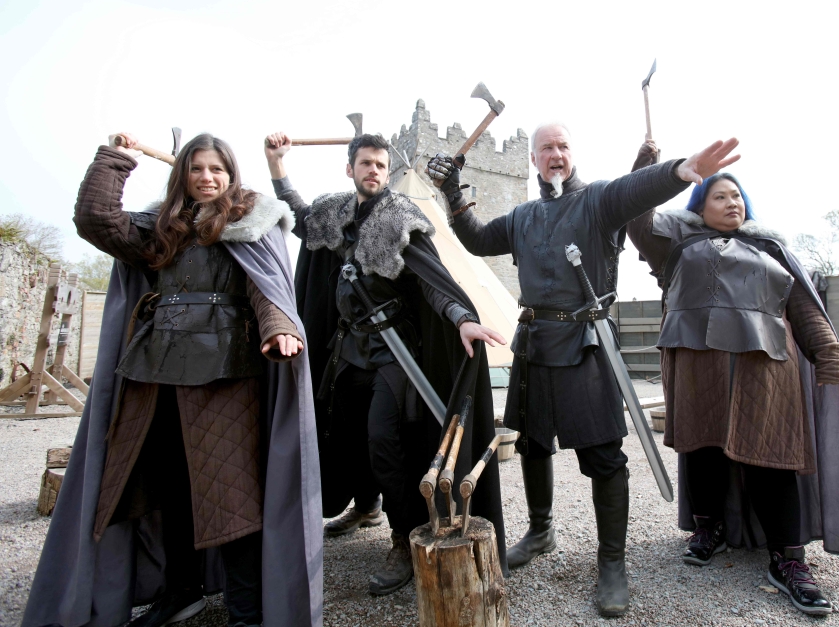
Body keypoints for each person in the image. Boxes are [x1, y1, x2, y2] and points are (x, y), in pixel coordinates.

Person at [425, 125, 740, 617]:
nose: (555, 155)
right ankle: (541, 530)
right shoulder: (523, 217)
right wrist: (451, 193)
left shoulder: (597, 202)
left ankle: (612, 561)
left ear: (572, 155)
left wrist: (681, 171)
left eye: (563, 147)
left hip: (585, 343)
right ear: (534, 159)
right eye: (546, 148)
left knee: (604, 458)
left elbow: (635, 188)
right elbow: (477, 238)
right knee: (531, 442)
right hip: (534, 342)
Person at [22, 133, 324, 627]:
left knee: (232, 502)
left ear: (231, 176)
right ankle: (180, 593)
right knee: (169, 490)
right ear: (182, 174)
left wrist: (281, 329)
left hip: (225, 380)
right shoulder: (161, 227)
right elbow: (97, 221)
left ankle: (246, 614)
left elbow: (265, 287)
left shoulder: (251, 221)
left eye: (217, 170)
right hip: (154, 379)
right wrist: (115, 161)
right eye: (197, 169)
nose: (207, 178)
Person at [264, 131, 509, 595]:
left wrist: (460, 317)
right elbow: (298, 216)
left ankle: (402, 535)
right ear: (351, 169)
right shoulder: (333, 213)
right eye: (365, 164)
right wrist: (277, 166)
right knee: (345, 427)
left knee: (383, 436)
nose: (373, 170)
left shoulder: (400, 218)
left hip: (394, 349)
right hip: (347, 348)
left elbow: (433, 279)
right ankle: (366, 504)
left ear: (386, 169)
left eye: (379, 164)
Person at [626, 148, 839, 617]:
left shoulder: (771, 249)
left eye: (737, 195)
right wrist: (647, 169)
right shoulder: (676, 246)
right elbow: (636, 218)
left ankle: (788, 559)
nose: (732, 202)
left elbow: (803, 308)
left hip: (767, 366)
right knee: (704, 448)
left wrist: (829, 354)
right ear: (699, 207)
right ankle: (707, 527)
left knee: (773, 455)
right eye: (719, 196)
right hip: (698, 365)